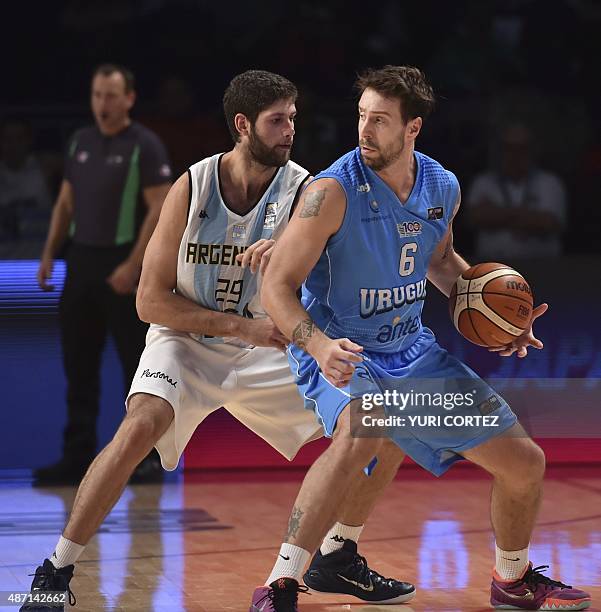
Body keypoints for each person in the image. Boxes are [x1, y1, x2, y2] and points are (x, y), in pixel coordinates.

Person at [20, 70, 414, 612]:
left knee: (381, 424)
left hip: (271, 346)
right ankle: (56, 570)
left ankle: (337, 555)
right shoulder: (193, 185)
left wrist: (293, 253)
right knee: (139, 425)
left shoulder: (305, 189)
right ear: (242, 125)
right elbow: (149, 302)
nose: (289, 131)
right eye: (278, 121)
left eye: (293, 120)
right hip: (189, 339)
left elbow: (331, 268)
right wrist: (239, 326)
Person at [259, 65, 591, 611]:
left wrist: (496, 314)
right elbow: (276, 286)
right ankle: (280, 582)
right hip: (343, 346)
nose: (365, 131)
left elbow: (438, 263)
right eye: (362, 117)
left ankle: (510, 578)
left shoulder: (442, 187)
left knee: (524, 463)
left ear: (412, 128)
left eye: (380, 121)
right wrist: (317, 345)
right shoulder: (331, 191)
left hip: (411, 351)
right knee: (367, 427)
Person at [34, 64, 172, 486]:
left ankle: (145, 458)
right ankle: (77, 457)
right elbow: (65, 203)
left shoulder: (143, 145)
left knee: (138, 367)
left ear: (129, 99)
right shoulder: (80, 141)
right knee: (79, 365)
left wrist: (132, 265)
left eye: (111, 96)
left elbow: (160, 206)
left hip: (123, 265)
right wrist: (48, 254)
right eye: (97, 95)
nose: (103, 104)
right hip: (81, 264)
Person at [466, 122, 567, 259]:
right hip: (492, 268)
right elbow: (475, 218)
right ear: (500, 151)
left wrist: (496, 212)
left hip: (543, 266)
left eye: (522, 149)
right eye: (509, 148)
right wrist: (528, 216)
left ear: (532, 151)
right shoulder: (483, 182)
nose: (515, 155)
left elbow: (549, 223)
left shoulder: (550, 182)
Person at [0, 117, 51, 258]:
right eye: (7, 139)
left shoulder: (46, 170)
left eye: (19, 138)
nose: (13, 144)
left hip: (37, 264)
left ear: (29, 140)